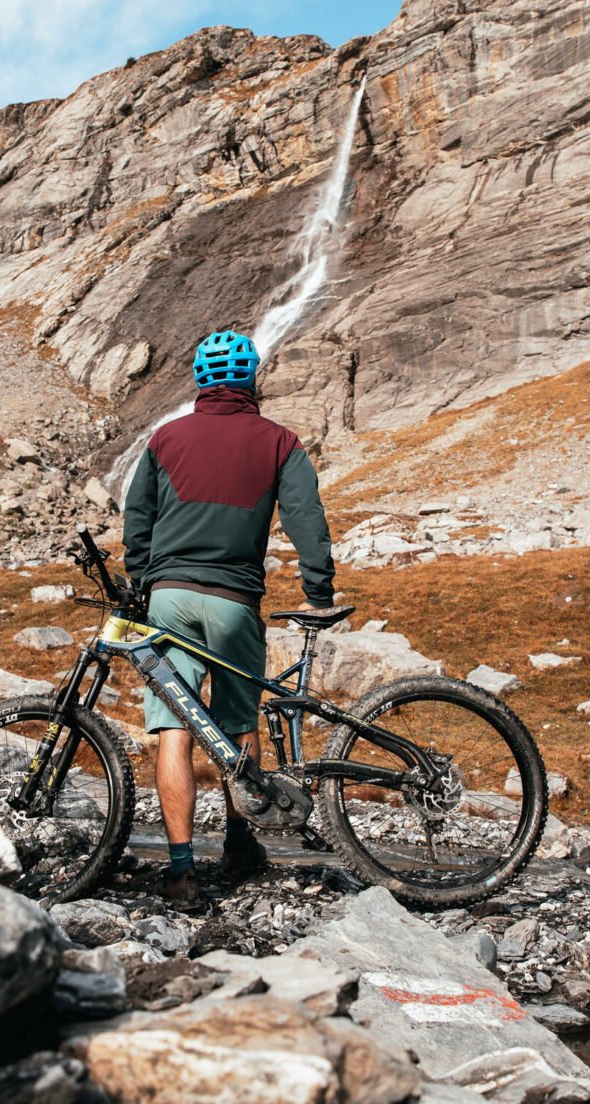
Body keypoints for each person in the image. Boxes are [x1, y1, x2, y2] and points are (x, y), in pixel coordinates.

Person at [122, 329, 337, 910]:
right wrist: (319, 587)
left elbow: (137, 517)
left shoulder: (165, 439)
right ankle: (241, 845)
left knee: (174, 728)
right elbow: (305, 517)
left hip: (167, 598)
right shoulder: (279, 442)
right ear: (251, 380)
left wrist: (141, 583)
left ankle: (181, 869)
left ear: (199, 380)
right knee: (238, 725)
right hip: (235, 601)